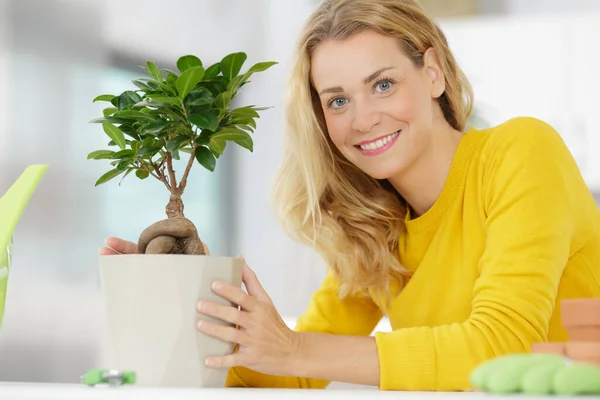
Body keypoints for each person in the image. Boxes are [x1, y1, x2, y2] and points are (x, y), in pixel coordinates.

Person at [99, 0, 600, 391]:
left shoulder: (521, 153)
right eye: (338, 100)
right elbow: (283, 375)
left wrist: (294, 348)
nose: (362, 119)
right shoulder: (375, 224)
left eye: (382, 85)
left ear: (433, 72)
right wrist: (192, 289)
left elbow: (501, 346)